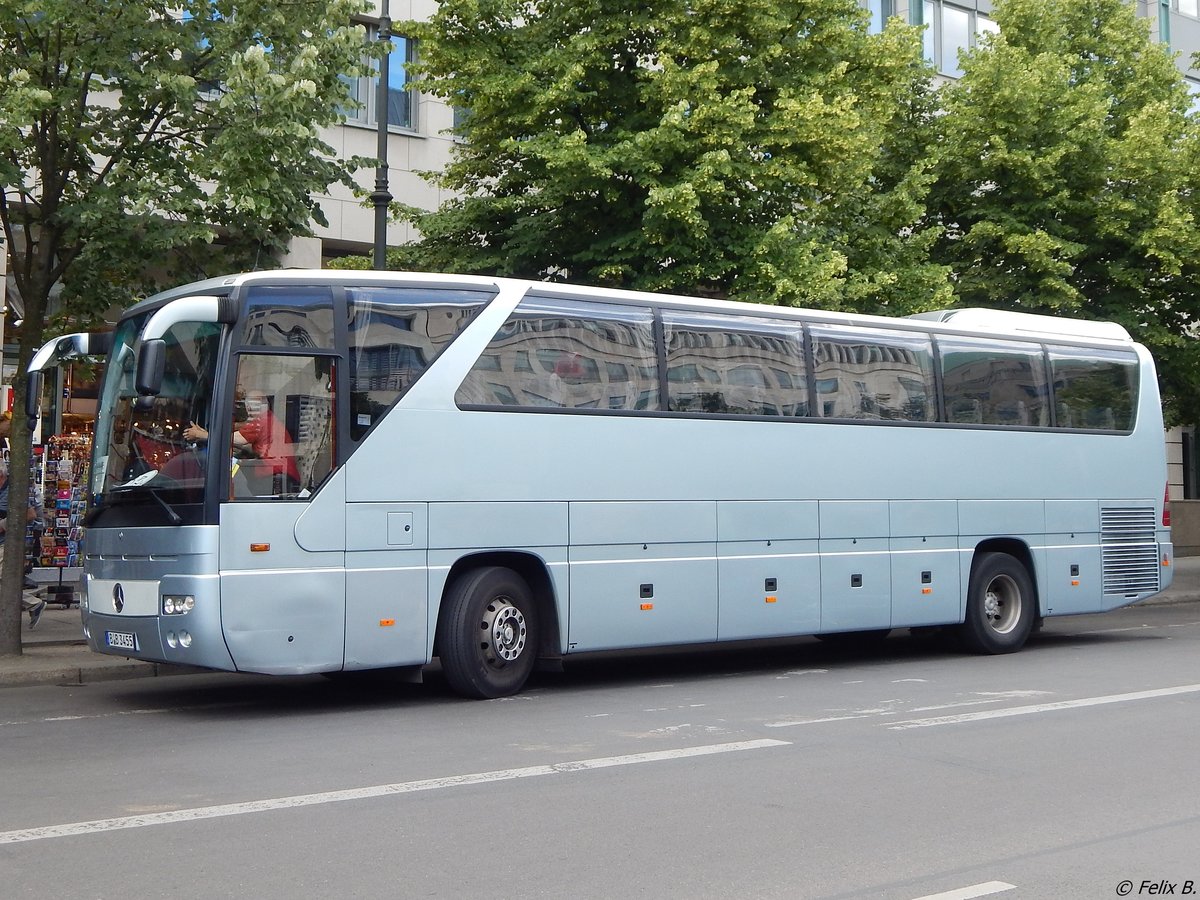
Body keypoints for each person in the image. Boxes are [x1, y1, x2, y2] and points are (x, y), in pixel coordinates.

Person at [184, 389, 300, 491]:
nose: (248, 409)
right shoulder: (269, 420)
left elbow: (234, 439)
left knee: (234, 480)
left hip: (275, 477)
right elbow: (247, 446)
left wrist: (200, 434)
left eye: (250, 405)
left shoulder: (261, 422)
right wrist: (205, 433)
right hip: (281, 476)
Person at [0, 458, 47, 628]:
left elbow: (30, 514)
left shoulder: (14, 491)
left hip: (6, 544)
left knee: (5, 582)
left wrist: (4, 525)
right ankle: (33, 604)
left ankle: (33, 604)